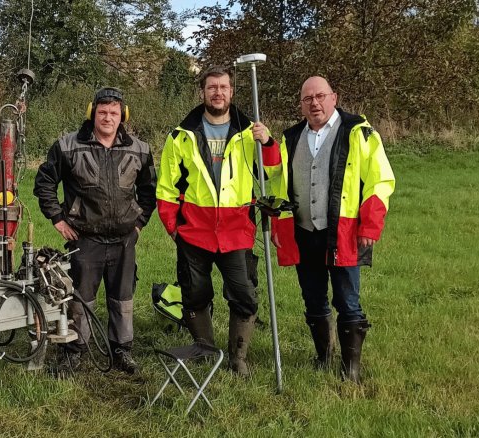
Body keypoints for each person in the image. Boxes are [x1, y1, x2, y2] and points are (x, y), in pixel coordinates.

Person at [267, 76, 395, 384]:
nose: (314, 103)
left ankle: (351, 367)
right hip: (303, 231)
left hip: (344, 232)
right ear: (301, 104)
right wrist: (277, 225)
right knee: (312, 298)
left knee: (347, 299)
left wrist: (371, 225)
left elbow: (380, 180)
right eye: (307, 98)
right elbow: (277, 184)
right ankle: (323, 355)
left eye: (320, 96)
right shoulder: (292, 137)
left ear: (333, 98)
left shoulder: (358, 132)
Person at [156, 66, 283, 376]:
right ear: (203, 92)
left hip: (236, 232)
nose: (218, 92)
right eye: (212, 87)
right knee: (195, 295)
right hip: (194, 232)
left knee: (244, 295)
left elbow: (273, 174)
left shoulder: (250, 133)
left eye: (223, 87)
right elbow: (166, 188)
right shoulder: (181, 135)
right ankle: (205, 349)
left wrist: (267, 144)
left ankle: (237, 359)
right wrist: (174, 227)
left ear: (232, 92)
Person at [34, 87, 157, 374]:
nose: (108, 117)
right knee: (80, 298)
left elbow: (150, 192)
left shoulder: (139, 148)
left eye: (114, 112)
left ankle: (122, 350)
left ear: (122, 116)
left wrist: (139, 224)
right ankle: (74, 350)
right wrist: (57, 218)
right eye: (102, 112)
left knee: (123, 298)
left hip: (124, 239)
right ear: (92, 113)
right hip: (84, 238)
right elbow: (44, 184)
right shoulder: (67, 146)